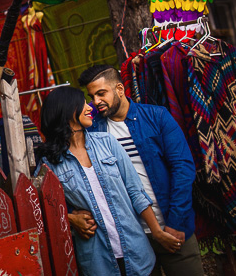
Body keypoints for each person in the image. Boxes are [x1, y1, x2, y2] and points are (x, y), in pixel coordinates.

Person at [75, 65, 203, 276]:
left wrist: (175, 223)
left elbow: (183, 169)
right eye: (92, 96)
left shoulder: (156, 117)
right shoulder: (94, 129)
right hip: (131, 240)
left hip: (173, 230)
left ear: (119, 88)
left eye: (101, 93)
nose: (95, 102)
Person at [36, 87, 179, 276]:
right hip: (98, 263)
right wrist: (71, 219)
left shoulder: (107, 142)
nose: (90, 108)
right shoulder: (50, 163)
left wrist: (157, 233)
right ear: (67, 111)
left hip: (138, 254)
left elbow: (136, 191)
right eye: (83, 104)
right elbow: (38, 209)